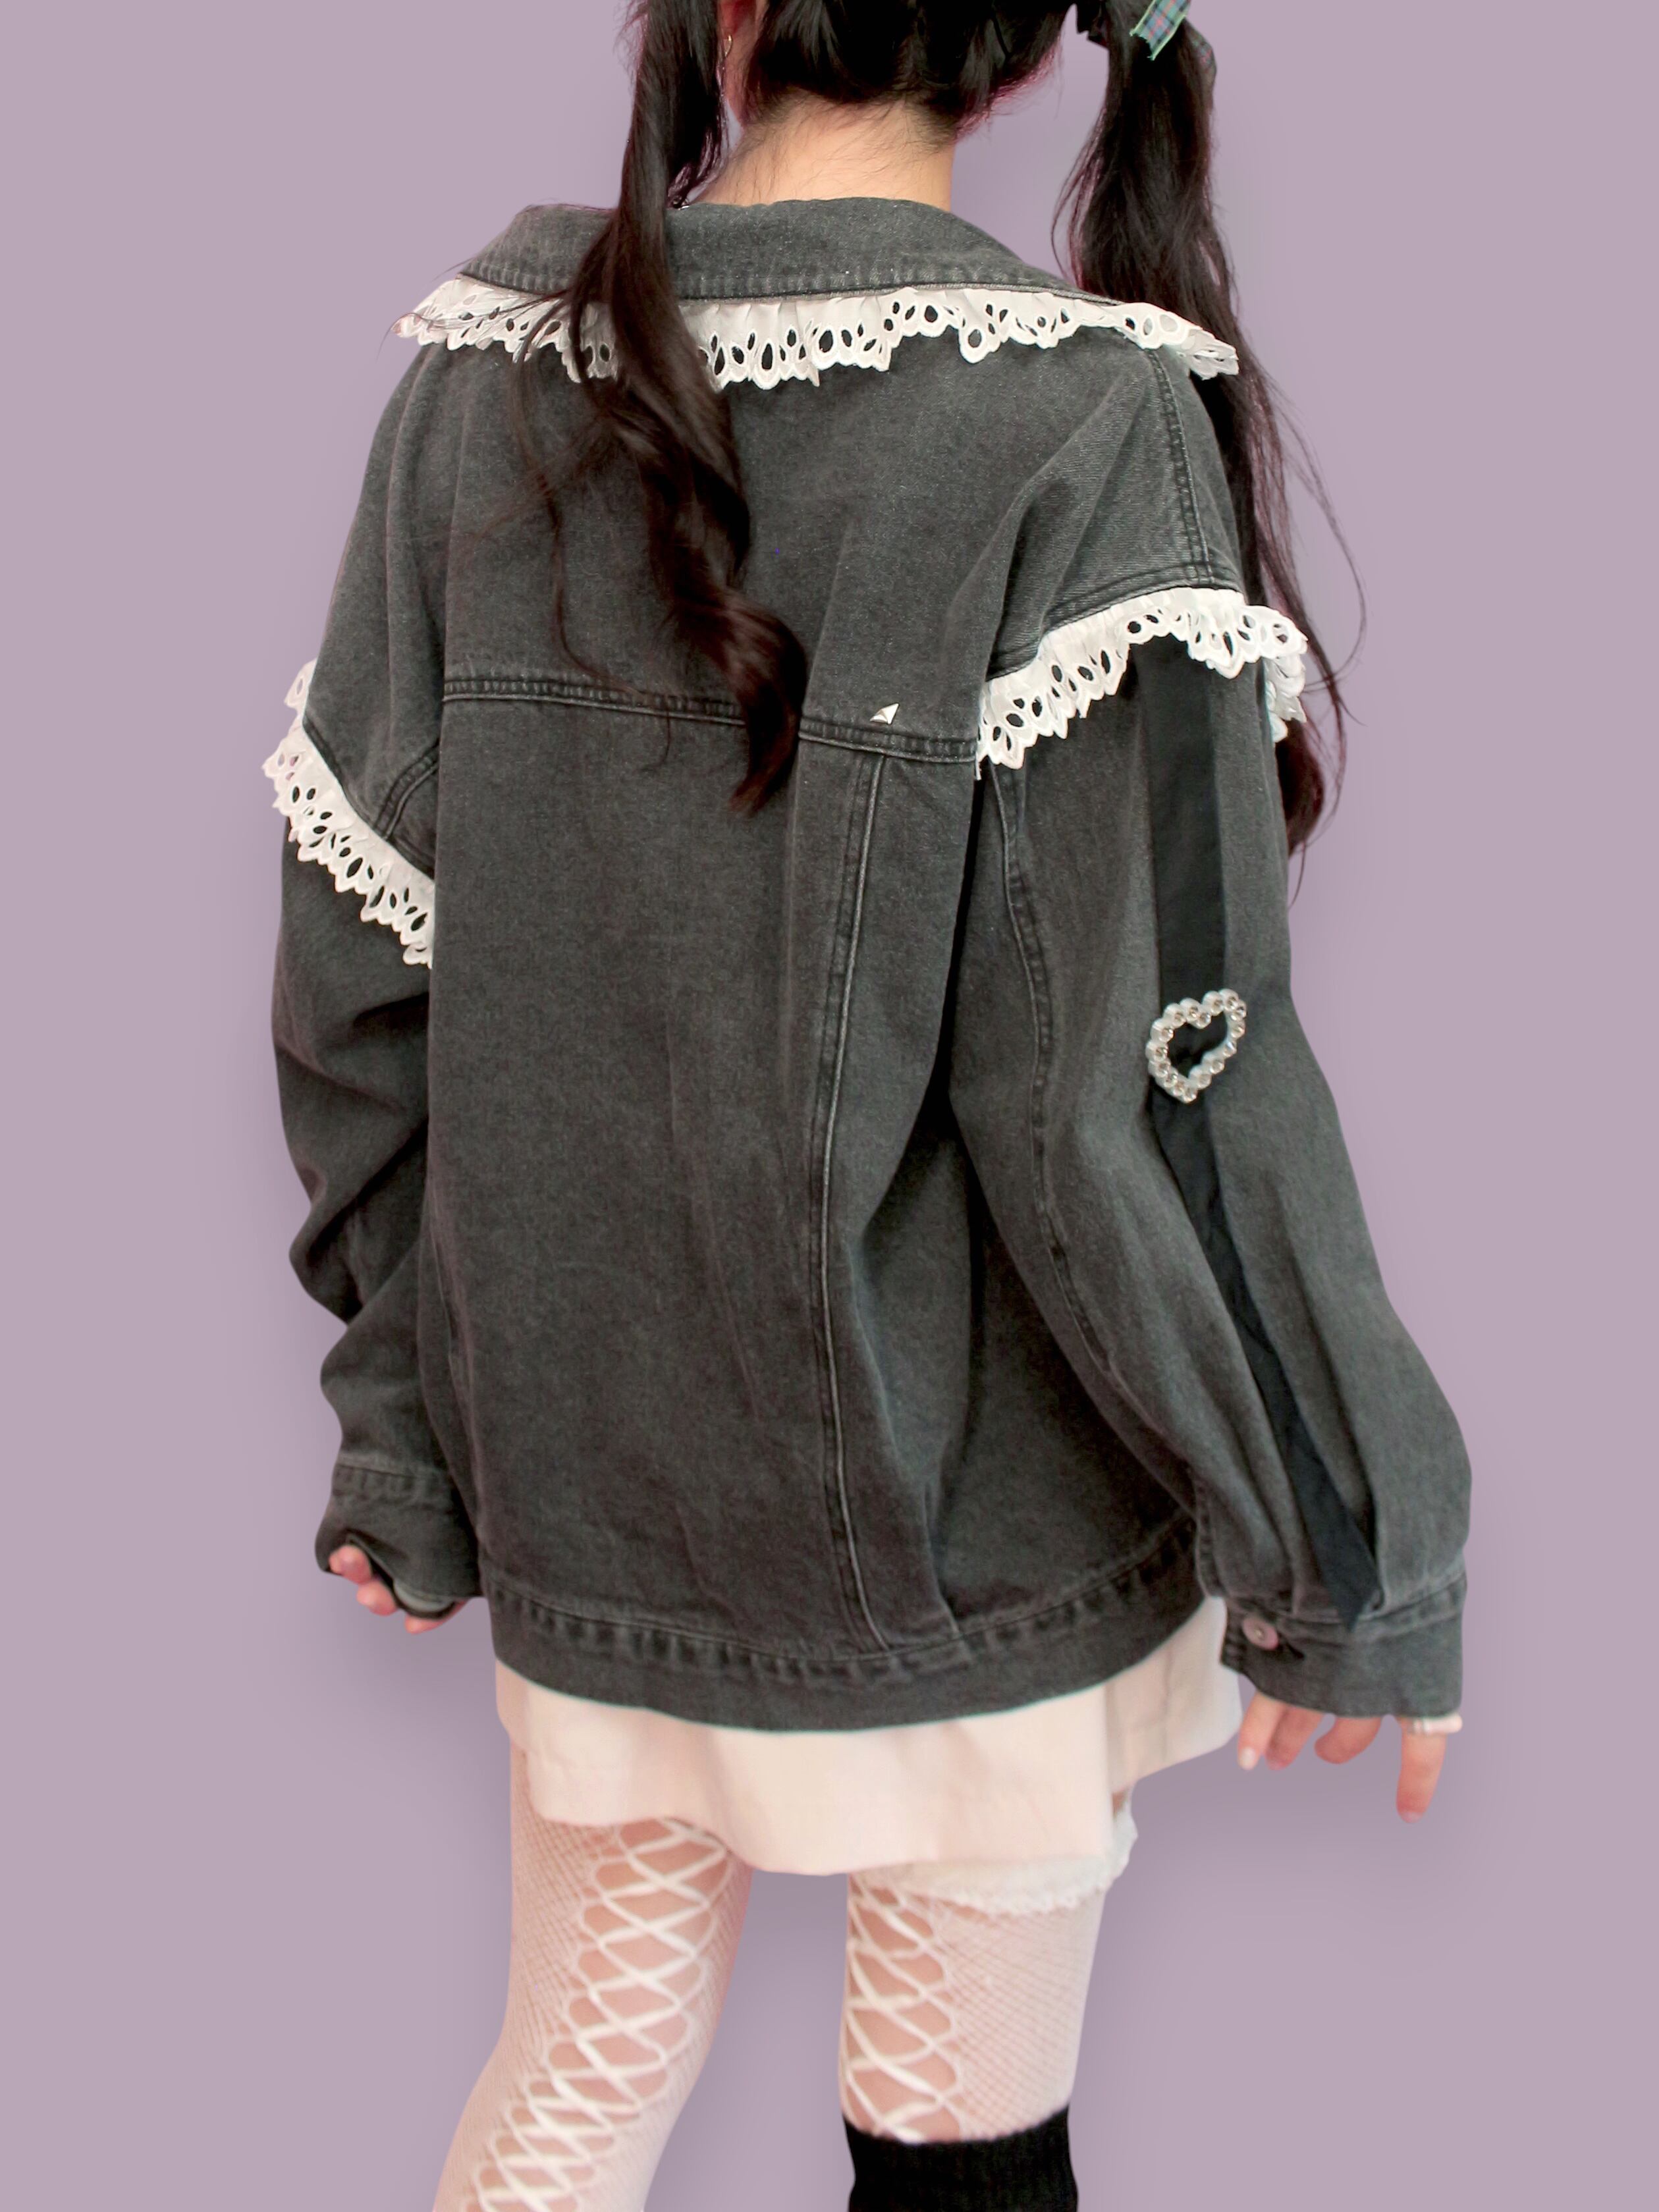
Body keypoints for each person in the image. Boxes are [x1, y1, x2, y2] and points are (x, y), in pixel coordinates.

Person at [263, 3, 1471, 2207]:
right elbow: (1152, 1076)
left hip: (598, 1498)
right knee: (958, 2154)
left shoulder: (478, 383)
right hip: (980, 1534)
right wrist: (1345, 1538)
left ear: (720, 10)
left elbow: (365, 976)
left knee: (576, 2079)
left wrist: (407, 1440)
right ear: (1019, 52)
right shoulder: (1082, 417)